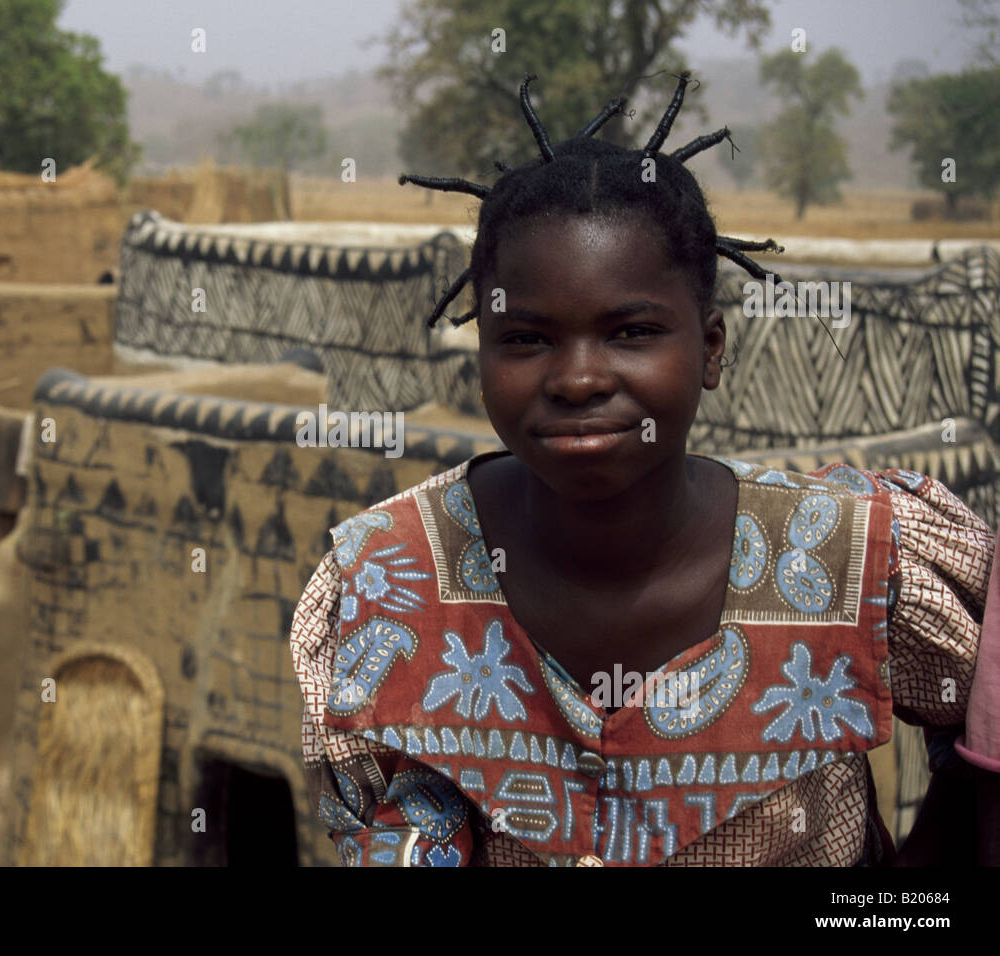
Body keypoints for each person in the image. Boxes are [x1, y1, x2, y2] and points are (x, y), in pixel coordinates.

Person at [287, 73, 996, 866]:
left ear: (712, 348)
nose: (578, 379)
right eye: (526, 339)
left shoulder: (858, 556)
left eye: (631, 332)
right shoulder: (387, 582)